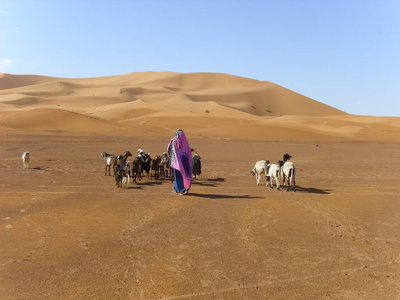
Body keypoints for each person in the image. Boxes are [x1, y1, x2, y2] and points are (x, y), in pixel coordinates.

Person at [167, 129, 192, 195]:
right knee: (183, 175)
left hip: (176, 162)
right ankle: (180, 189)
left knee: (178, 175)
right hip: (184, 162)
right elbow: (188, 151)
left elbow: (168, 149)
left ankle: (179, 189)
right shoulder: (185, 141)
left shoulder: (174, 140)